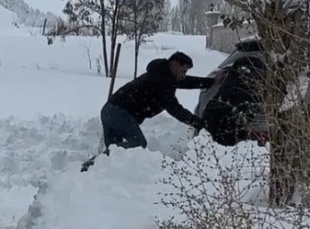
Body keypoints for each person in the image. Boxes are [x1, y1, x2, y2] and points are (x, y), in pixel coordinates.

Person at [81, 51, 222, 171]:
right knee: (138, 143)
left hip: (109, 110)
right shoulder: (162, 82)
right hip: (119, 113)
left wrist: (210, 82)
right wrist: (201, 124)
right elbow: (175, 109)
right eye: (183, 71)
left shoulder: (162, 73)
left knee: (114, 153)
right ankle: (91, 166)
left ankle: (92, 171)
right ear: (174, 65)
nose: (184, 75)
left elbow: (184, 82)